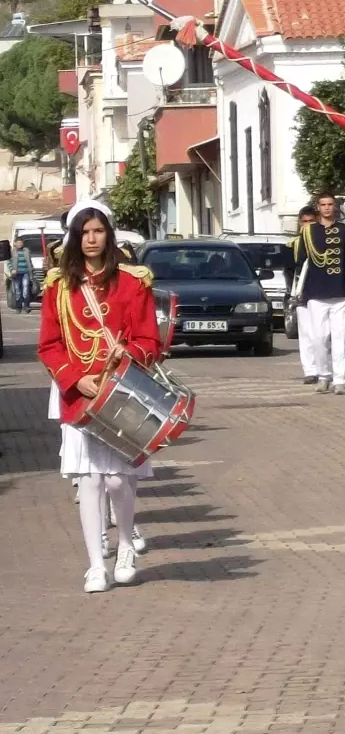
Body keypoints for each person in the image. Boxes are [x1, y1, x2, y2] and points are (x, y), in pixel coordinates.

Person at [38, 200, 160, 593]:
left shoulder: (132, 282)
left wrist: (129, 355)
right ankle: (95, 564)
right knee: (89, 481)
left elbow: (149, 340)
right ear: (75, 237)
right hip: (81, 395)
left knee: (118, 482)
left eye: (98, 231)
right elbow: (49, 344)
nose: (91, 239)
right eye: (84, 232)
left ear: (109, 235)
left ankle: (125, 544)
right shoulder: (59, 285)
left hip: (121, 393)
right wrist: (75, 378)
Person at [296, 194, 345, 394]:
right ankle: (323, 375)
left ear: (335, 207)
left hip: (339, 291)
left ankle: (340, 379)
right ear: (317, 207)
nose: (327, 208)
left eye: (330, 204)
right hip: (316, 291)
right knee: (319, 338)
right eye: (323, 205)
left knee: (339, 338)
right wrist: (300, 291)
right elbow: (302, 263)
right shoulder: (309, 232)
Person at [289, 205, 320, 385]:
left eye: (311, 222)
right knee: (307, 333)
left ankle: (324, 368)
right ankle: (310, 370)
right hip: (302, 292)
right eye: (304, 222)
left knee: (323, 334)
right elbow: (291, 270)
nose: (307, 225)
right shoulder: (295, 244)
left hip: (321, 291)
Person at [7, 236, 33, 313]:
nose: (19, 244)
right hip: (16, 274)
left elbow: (30, 262)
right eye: (18, 243)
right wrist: (12, 270)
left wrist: (32, 271)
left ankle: (26, 306)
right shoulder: (12, 252)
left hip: (26, 272)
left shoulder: (26, 251)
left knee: (25, 289)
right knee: (17, 290)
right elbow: (9, 262)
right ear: (15, 244)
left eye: (21, 243)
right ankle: (18, 307)